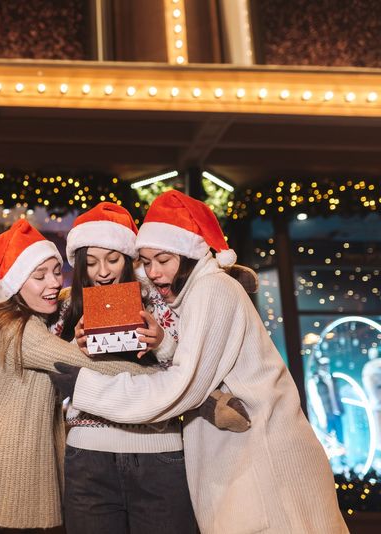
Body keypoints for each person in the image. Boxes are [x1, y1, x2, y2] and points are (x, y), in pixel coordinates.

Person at [51, 190, 348, 533]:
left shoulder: (210, 291)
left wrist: (88, 387)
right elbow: (200, 363)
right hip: (236, 454)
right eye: (147, 262)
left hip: (258, 451)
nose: (155, 272)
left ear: (188, 253)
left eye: (163, 260)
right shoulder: (193, 295)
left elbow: (183, 387)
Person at [0, 219, 153, 533]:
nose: (53, 283)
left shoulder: (8, 320)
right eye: (39, 276)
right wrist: (157, 373)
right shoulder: (21, 329)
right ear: (16, 284)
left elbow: (57, 350)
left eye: (57, 272)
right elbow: (92, 365)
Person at [55, 202, 248, 534]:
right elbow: (55, 376)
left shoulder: (161, 300)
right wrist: (77, 346)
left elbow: (194, 374)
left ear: (129, 261)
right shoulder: (68, 307)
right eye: (91, 263)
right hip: (89, 457)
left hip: (159, 454)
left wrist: (161, 342)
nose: (102, 271)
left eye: (113, 259)